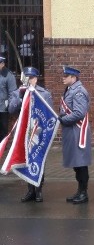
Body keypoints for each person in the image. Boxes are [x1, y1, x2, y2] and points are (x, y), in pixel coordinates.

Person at [9, 67, 53, 202]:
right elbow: (11, 109)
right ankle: (30, 190)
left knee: (38, 159)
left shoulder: (44, 93)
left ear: (36, 79)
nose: (30, 81)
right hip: (24, 132)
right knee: (26, 161)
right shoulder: (17, 92)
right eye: (27, 78)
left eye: (32, 78)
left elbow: (49, 113)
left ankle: (38, 189)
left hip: (38, 132)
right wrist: (21, 97)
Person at [58, 66, 92, 204]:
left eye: (66, 76)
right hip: (71, 131)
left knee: (81, 162)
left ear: (73, 77)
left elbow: (79, 113)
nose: (63, 78)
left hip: (77, 131)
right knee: (76, 163)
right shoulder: (70, 89)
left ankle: (84, 192)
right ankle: (79, 191)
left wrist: (62, 120)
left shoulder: (78, 91)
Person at [0, 55, 18, 137]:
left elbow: (13, 93)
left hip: (3, 108)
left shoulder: (9, 75)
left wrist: (11, 107)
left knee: (3, 129)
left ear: (2, 64)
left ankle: (2, 147)